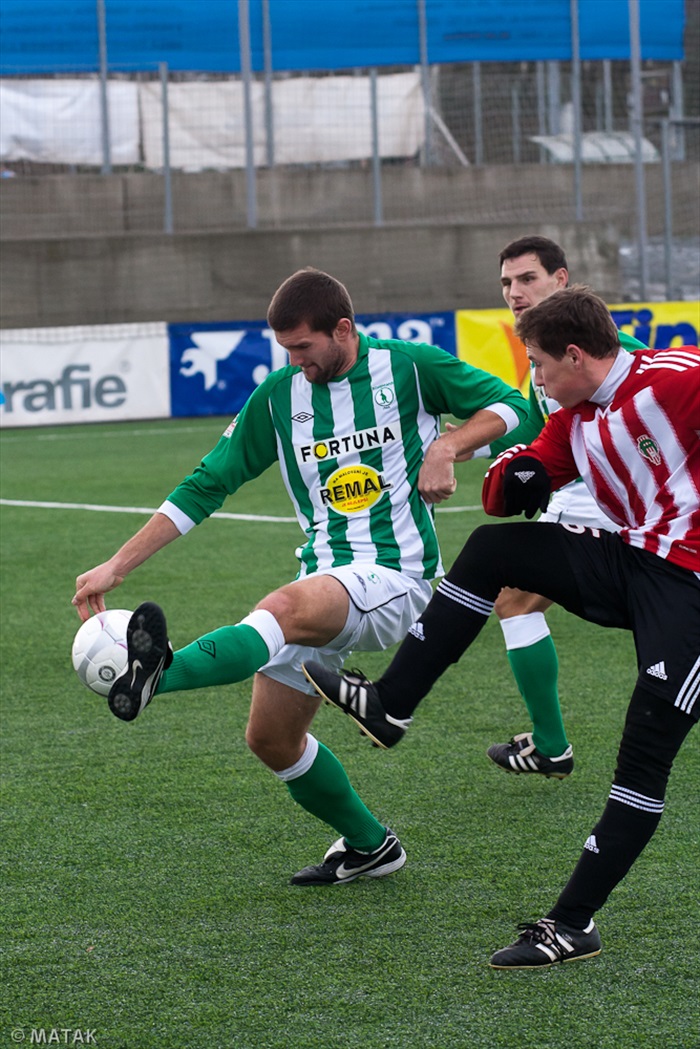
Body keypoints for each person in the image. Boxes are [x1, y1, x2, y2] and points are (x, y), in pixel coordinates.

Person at [72, 267, 528, 887]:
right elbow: (208, 483)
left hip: (398, 577)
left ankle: (158, 671)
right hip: (325, 581)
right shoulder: (280, 397)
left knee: (282, 607)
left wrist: (449, 446)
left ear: (343, 329)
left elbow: (516, 408)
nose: (295, 361)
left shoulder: (412, 367)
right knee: (272, 740)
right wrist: (117, 564)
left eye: (304, 348)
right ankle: (370, 846)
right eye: (285, 350)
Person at [303, 285, 699, 966]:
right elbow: (518, 477)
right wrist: (513, 475)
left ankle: (573, 922)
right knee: (492, 548)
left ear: (575, 355)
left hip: (691, 591)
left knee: (643, 756)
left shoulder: (678, 380)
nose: (536, 379)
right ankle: (392, 703)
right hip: (632, 560)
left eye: (541, 365)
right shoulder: (573, 416)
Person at [469, 236, 645, 779]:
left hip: (608, 505)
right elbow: (536, 433)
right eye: (506, 283)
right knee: (514, 602)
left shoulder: (621, 351)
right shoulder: (539, 358)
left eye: (527, 279)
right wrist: (466, 444)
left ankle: (550, 746)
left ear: (561, 280)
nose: (514, 292)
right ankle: (549, 746)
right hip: (580, 501)